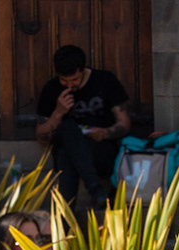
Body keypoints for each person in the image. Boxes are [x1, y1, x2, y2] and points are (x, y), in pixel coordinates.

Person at [34, 45, 132, 208]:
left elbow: (124, 123)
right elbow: (40, 135)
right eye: (64, 81)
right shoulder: (52, 89)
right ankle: (95, 190)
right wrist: (58, 113)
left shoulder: (105, 80)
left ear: (83, 70)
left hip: (100, 151)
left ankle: (64, 224)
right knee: (67, 130)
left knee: (67, 153)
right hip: (66, 150)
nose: (69, 86)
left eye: (74, 80)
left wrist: (105, 133)